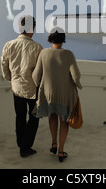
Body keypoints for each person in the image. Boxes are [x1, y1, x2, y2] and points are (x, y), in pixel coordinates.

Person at [32, 27, 82, 162]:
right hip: (64, 95)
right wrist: (78, 85)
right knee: (64, 121)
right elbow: (76, 76)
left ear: (51, 39)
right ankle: (61, 151)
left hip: (48, 94)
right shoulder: (68, 54)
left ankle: (53, 143)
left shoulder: (43, 53)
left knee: (52, 115)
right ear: (63, 40)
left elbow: (36, 76)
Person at [1, 16, 43, 158]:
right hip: (32, 89)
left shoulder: (9, 45)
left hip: (16, 88)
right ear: (32, 29)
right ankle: (25, 147)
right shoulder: (37, 48)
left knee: (19, 116)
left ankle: (21, 144)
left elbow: (4, 66)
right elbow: (40, 71)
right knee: (34, 117)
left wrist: (11, 79)